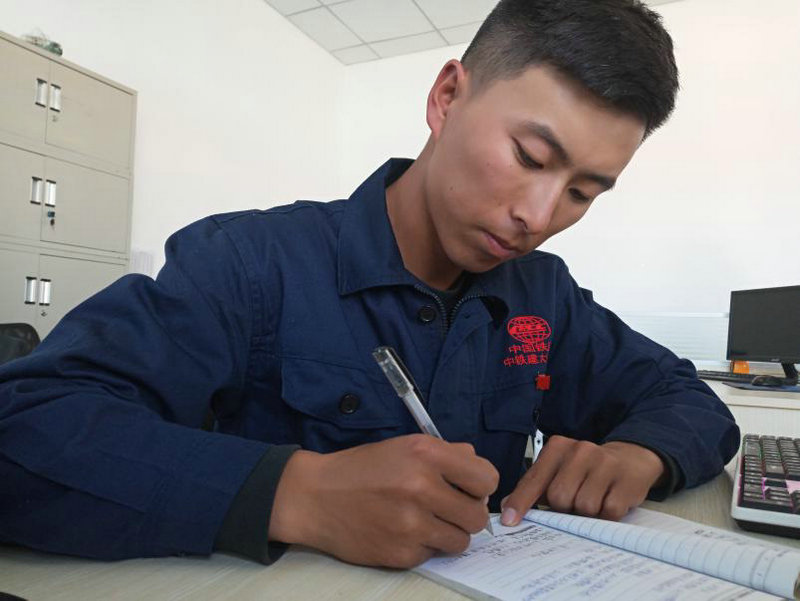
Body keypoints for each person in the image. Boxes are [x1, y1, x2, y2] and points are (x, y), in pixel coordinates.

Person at [0, 0, 739, 569]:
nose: (539, 217)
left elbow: (687, 398)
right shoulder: (252, 262)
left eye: (582, 192)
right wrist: (292, 492)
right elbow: (26, 426)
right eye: (529, 157)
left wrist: (638, 454)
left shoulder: (542, 296)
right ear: (447, 97)